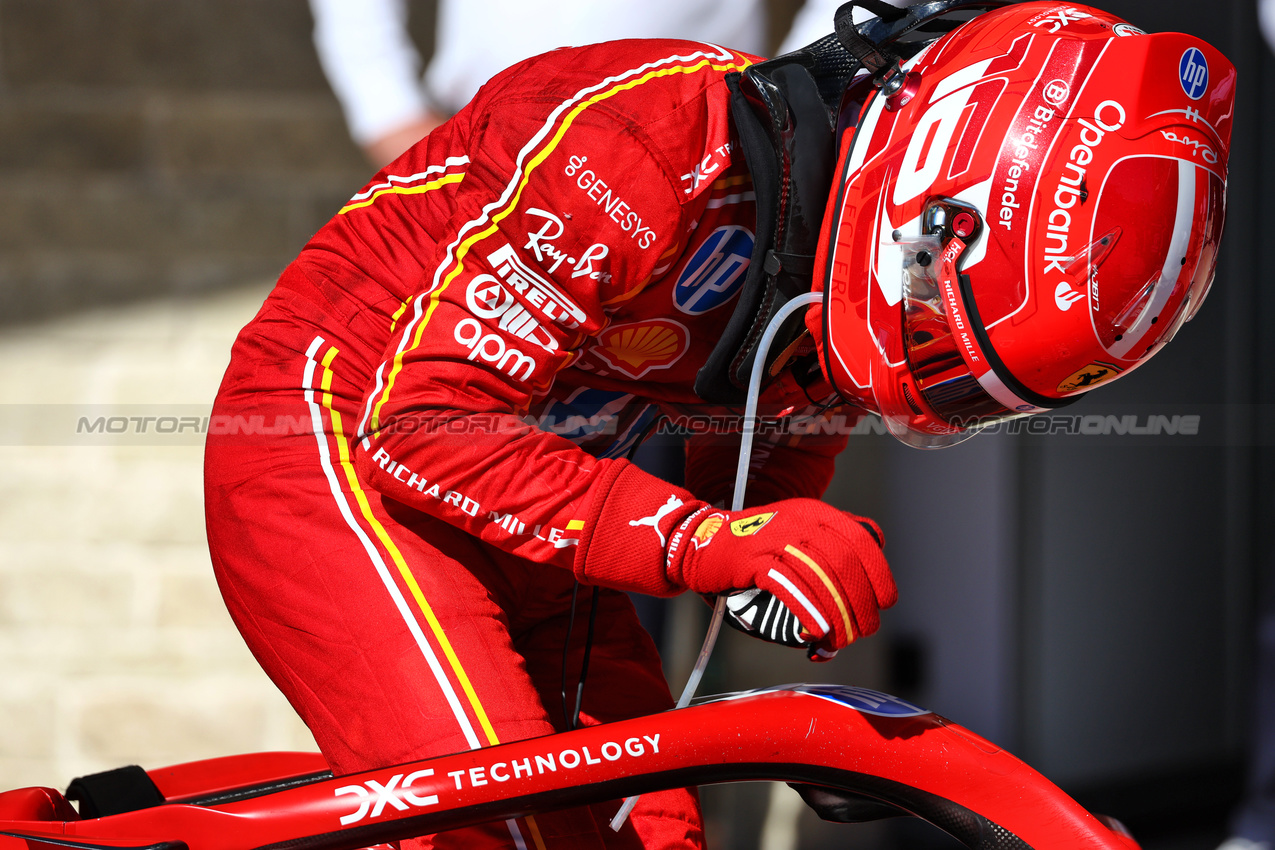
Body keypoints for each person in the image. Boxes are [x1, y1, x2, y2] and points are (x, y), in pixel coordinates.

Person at [205, 2, 1235, 847]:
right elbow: (422, 425)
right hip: (334, 442)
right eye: (935, 337)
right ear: (928, 204)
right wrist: (715, 542)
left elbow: (772, 467)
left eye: (973, 392)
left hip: (539, 479)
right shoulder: (642, 141)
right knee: (503, 825)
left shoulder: (862, 272)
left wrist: (774, 550)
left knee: (654, 833)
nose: (927, 383)